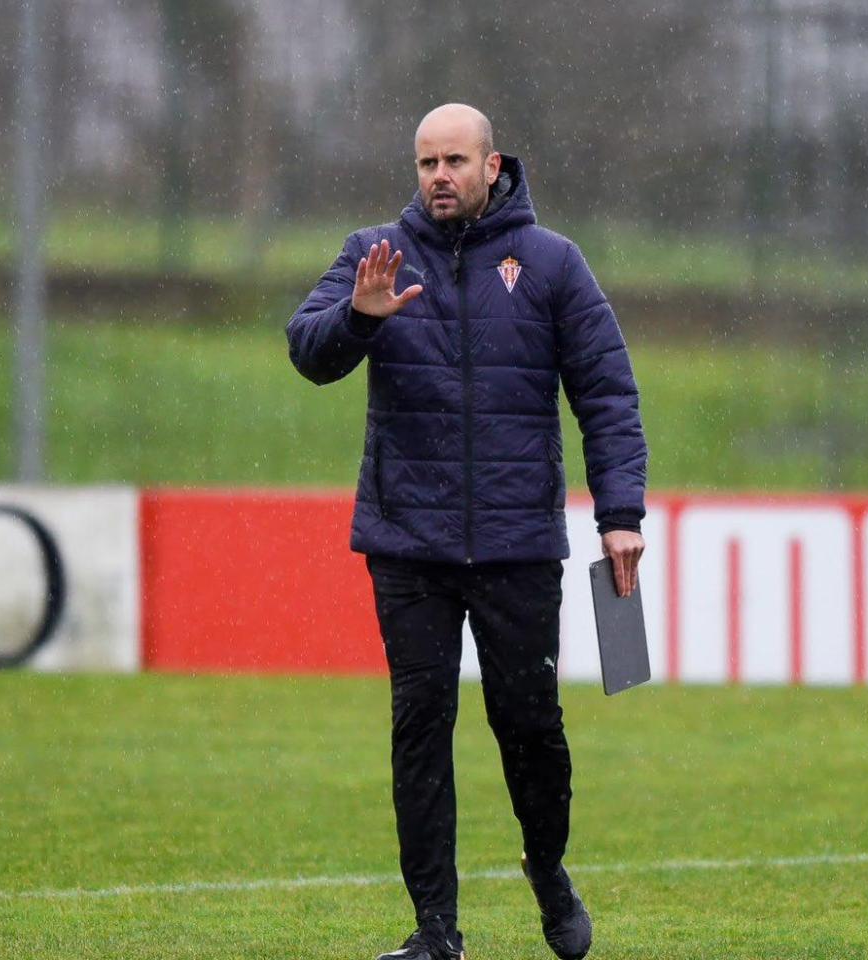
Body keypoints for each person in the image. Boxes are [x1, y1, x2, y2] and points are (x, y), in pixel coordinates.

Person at [287, 104, 648, 960]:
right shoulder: (373, 254)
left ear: (493, 167)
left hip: (518, 545)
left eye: (454, 160)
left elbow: (607, 393)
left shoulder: (554, 263)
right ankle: (436, 934)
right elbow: (309, 351)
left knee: (529, 728)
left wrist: (621, 514)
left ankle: (548, 868)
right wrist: (360, 318)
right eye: (425, 163)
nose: (438, 176)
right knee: (420, 724)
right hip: (408, 544)